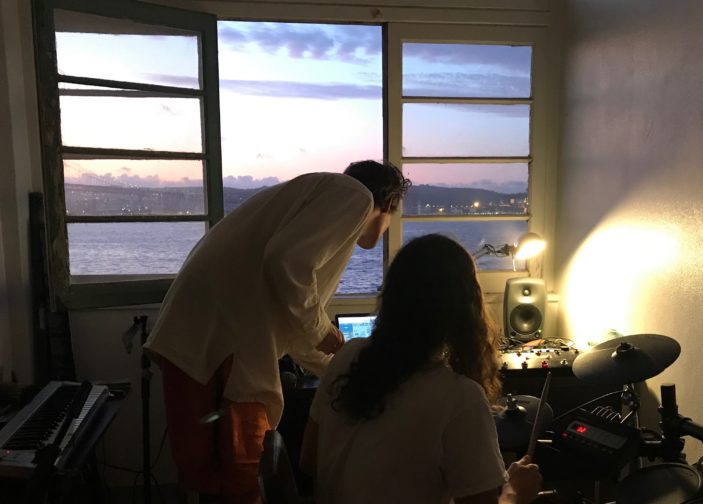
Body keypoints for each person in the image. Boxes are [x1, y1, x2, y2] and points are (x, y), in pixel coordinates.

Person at [143, 160, 410, 503]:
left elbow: (293, 316)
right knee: (244, 474)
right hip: (228, 341)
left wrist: (341, 368)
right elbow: (287, 261)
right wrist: (323, 332)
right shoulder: (355, 196)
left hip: (198, 331)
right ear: (389, 203)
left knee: (212, 477)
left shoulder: (312, 197)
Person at [300, 234, 543, 504]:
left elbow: (309, 459)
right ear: (466, 308)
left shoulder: (348, 355)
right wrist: (515, 492)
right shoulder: (460, 398)